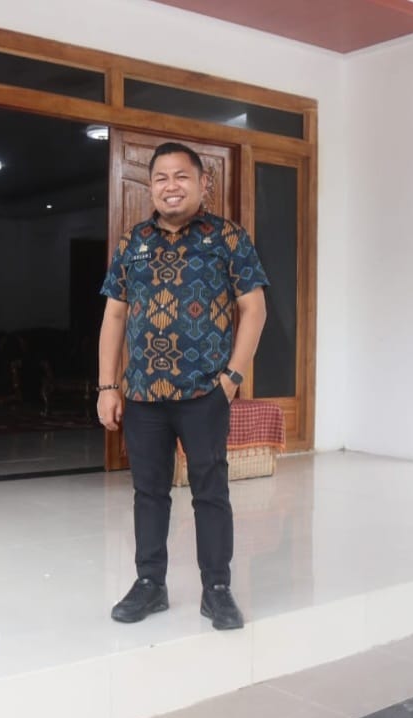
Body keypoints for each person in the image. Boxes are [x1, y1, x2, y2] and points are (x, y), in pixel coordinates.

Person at [97, 141, 269, 630]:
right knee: (148, 493)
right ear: (151, 187)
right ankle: (149, 584)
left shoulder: (227, 238)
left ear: (202, 183)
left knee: (210, 492)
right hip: (143, 395)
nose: (170, 186)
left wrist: (231, 378)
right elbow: (114, 315)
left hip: (203, 393)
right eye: (160, 178)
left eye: (181, 177)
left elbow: (254, 309)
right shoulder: (133, 243)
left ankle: (217, 589)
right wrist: (107, 386)